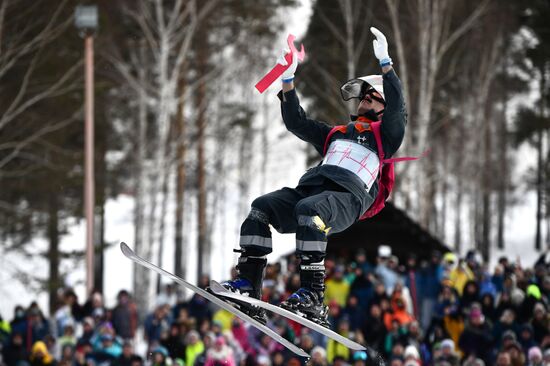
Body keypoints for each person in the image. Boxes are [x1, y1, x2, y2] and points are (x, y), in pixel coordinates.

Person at [214, 26, 406, 331]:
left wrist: (386, 65)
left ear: (382, 103)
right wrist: (287, 81)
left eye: (369, 98)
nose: (361, 104)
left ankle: (314, 296)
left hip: (348, 197)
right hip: (314, 189)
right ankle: (248, 284)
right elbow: (297, 122)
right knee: (261, 208)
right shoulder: (337, 134)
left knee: (310, 212)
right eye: (361, 99)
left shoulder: (386, 136)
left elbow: (398, 112)